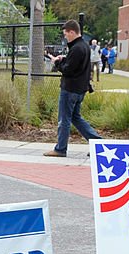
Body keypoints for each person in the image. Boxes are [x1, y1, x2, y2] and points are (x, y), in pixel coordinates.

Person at [43, 20, 101, 157]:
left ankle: (60, 149)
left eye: (66, 34)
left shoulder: (76, 49)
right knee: (76, 118)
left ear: (72, 32)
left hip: (70, 89)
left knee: (64, 120)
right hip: (80, 89)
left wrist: (57, 63)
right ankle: (98, 144)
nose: (65, 37)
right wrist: (64, 58)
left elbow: (68, 70)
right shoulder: (84, 46)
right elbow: (76, 66)